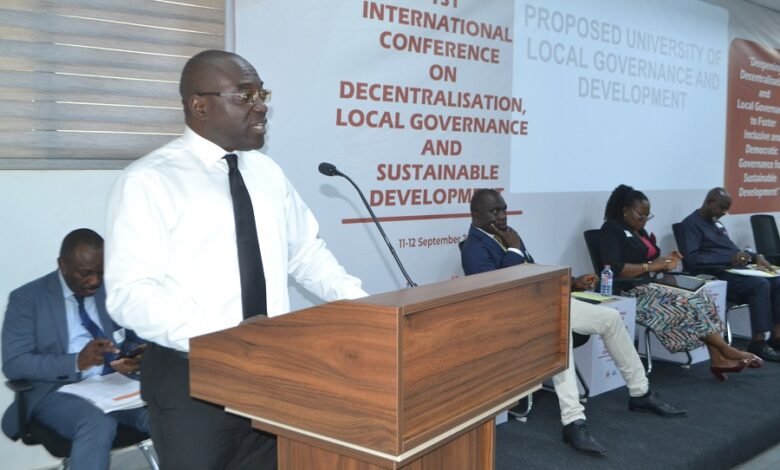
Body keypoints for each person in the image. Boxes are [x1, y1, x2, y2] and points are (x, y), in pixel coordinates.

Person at [104, 50, 367, 470]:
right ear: (199, 105)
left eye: (261, 93)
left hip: (271, 372)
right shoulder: (149, 181)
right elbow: (129, 294)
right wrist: (226, 337)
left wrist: (365, 308)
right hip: (191, 380)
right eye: (244, 95)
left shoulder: (267, 173)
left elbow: (306, 254)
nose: (261, 105)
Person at [461, 189, 685, 458]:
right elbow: (497, 287)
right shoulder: (474, 246)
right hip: (512, 318)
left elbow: (534, 272)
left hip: (544, 303)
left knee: (610, 318)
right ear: (475, 215)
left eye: (504, 209)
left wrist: (572, 282)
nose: (502, 216)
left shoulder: (509, 237)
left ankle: (640, 392)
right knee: (559, 330)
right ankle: (573, 421)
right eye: (494, 211)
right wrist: (513, 248)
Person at [1, 229, 148, 470]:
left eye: (100, 272)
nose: (95, 281)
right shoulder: (27, 299)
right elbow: (15, 363)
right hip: (57, 391)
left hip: (113, 385)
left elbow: (132, 335)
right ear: (63, 264)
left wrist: (135, 355)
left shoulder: (110, 290)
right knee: (97, 424)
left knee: (165, 409)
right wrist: (76, 362)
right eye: (85, 273)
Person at [599, 184, 761, 381]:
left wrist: (667, 261)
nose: (643, 221)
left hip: (650, 285)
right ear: (625, 211)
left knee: (702, 297)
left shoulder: (637, 230)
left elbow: (652, 259)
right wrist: (651, 266)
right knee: (685, 303)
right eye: (640, 216)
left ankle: (718, 358)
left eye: (647, 216)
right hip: (629, 291)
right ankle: (726, 349)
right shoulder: (611, 230)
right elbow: (615, 268)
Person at [679, 187, 780, 362]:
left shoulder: (716, 222)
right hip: (715, 275)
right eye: (722, 207)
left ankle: (776, 337)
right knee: (760, 285)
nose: (725, 212)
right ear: (709, 202)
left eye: (727, 208)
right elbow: (692, 259)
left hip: (733, 271)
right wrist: (730, 258)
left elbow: (732, 249)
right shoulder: (690, 224)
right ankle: (758, 342)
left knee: (776, 280)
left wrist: (756, 257)